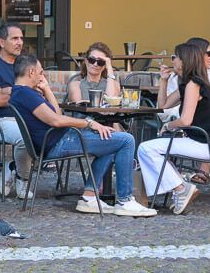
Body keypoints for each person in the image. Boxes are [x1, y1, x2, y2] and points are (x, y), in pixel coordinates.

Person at [9, 54, 155, 216]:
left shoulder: (21, 93)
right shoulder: (26, 94)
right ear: (31, 72)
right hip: (58, 142)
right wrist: (89, 123)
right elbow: (56, 121)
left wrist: (47, 89)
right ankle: (125, 200)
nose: (42, 76)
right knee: (126, 140)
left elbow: (57, 113)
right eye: (40, 72)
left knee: (111, 139)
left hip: (56, 140)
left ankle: (90, 197)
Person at [137, 42, 210, 215]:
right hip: (204, 140)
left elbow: (185, 120)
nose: (172, 60)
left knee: (145, 149)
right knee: (150, 149)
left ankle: (180, 188)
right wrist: (163, 80)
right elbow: (163, 105)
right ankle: (178, 189)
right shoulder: (189, 83)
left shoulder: (193, 84)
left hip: (205, 144)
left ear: (184, 61)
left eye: (174, 57)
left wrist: (168, 126)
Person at [0, 22, 34, 199]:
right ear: (2, 42)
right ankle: (22, 179)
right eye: (15, 38)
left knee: (46, 134)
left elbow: (37, 95)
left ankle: (12, 167)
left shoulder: (25, 65)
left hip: (26, 119)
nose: (20, 42)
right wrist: (21, 93)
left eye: (21, 39)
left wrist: (8, 91)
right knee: (27, 137)